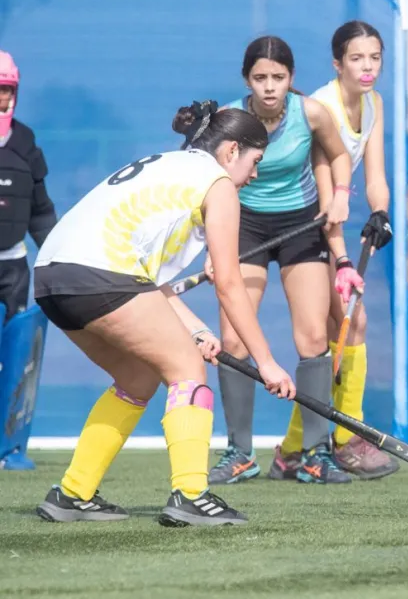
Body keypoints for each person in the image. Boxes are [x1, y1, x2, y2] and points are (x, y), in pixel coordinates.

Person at [33, 100, 296, 526]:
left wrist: (196, 329)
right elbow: (229, 284)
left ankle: (72, 493)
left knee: (138, 377)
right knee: (188, 370)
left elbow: (147, 282)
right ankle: (191, 495)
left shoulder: (169, 165)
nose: (255, 175)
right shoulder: (218, 184)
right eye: (256, 161)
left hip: (51, 275)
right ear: (232, 151)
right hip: (102, 275)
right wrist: (266, 363)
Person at [207, 36, 359, 486]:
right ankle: (239, 453)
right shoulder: (229, 120)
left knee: (312, 336)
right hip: (244, 225)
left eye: (278, 77)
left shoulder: (311, 113)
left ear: (291, 78)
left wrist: (341, 195)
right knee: (233, 339)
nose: (270, 86)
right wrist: (210, 246)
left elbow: (339, 155)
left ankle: (315, 454)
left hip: (300, 225)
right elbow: (208, 181)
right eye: (260, 78)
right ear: (246, 80)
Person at [271, 20, 399, 481]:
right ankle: (345, 440)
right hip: (306, 220)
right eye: (357, 58)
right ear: (337, 63)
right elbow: (327, 197)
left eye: (375, 58)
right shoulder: (323, 107)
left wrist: (380, 212)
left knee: (341, 330)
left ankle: (293, 450)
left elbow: (375, 175)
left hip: (332, 217)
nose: (367, 67)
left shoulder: (374, 102)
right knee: (350, 323)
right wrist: (342, 257)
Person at [0, 50, 58, 322]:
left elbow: (40, 210)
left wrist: (57, 257)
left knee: (14, 334)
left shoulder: (24, 142)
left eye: (4, 90)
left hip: (13, 265)